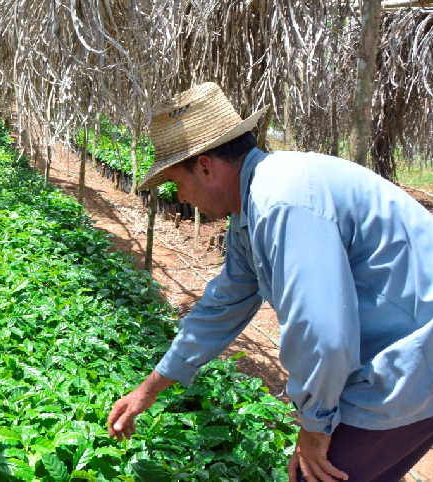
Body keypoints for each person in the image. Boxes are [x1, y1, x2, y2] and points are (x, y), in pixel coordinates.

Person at [106, 82, 433, 481]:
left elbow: (321, 333)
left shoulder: (281, 200)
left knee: (311, 474)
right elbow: (221, 307)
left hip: (411, 363)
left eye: (178, 182)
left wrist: (315, 426)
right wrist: (150, 388)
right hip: (412, 358)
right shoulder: (252, 210)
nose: (182, 197)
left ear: (206, 166)